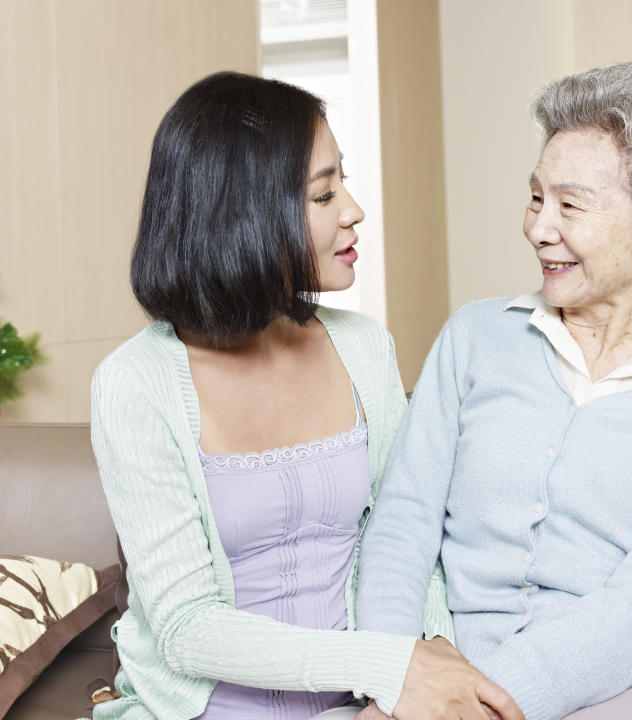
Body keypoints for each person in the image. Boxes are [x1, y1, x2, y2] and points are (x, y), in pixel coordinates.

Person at [89, 71, 523, 720]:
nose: (354, 209)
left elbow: (407, 535)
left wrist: (411, 678)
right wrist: (387, 666)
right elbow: (185, 626)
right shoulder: (135, 383)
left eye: (341, 183)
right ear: (242, 212)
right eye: (324, 194)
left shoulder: (364, 347)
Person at [355, 62, 632, 720]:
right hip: (442, 693)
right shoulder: (475, 338)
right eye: (535, 198)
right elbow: (401, 527)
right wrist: (396, 674)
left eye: (571, 205)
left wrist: (480, 701)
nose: (538, 228)